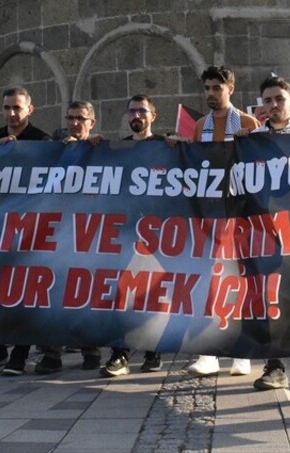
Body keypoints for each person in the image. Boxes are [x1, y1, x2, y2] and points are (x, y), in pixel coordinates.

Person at [0, 88, 52, 376]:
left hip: (29, 229)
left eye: (17, 108)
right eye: (6, 108)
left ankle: (21, 351)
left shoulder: (42, 140)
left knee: (24, 292)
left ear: (30, 109)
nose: (11, 114)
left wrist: (22, 153)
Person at [245, 77, 290, 390]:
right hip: (265, 232)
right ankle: (273, 365)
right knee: (267, 297)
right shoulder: (253, 140)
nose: (273, 105)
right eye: (267, 100)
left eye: (279, 99)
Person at [187, 65, 259, 378]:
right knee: (209, 279)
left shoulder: (246, 122)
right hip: (209, 213)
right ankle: (209, 352)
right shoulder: (199, 125)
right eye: (207, 88)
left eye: (217, 88)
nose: (211, 94)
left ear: (231, 88)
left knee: (238, 280)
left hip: (240, 212)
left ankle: (242, 352)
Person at [36, 101, 104, 375]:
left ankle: (92, 351)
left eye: (81, 118)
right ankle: (52, 354)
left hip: (90, 234)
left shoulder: (101, 150)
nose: (75, 123)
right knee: (51, 293)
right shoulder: (57, 144)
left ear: (92, 122)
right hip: (58, 233)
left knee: (87, 294)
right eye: (71, 118)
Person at [101, 95, 166, 377]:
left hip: (157, 231)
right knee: (123, 292)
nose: (137, 115)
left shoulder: (165, 145)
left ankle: (153, 351)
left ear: (154, 115)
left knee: (153, 292)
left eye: (142, 110)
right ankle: (120, 354)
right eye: (132, 111)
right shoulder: (119, 148)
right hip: (126, 231)